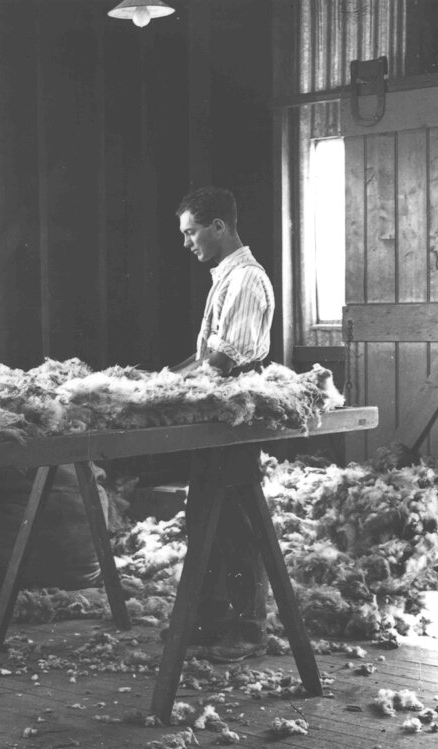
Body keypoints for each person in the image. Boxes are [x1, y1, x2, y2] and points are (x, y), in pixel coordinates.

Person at [171, 186, 275, 663]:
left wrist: (162, 387)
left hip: (236, 417)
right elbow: (205, 358)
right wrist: (163, 379)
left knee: (234, 521)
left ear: (219, 227)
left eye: (192, 232)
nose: (187, 242)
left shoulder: (246, 280)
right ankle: (209, 620)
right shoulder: (225, 278)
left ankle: (249, 628)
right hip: (218, 415)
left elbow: (225, 359)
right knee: (204, 518)